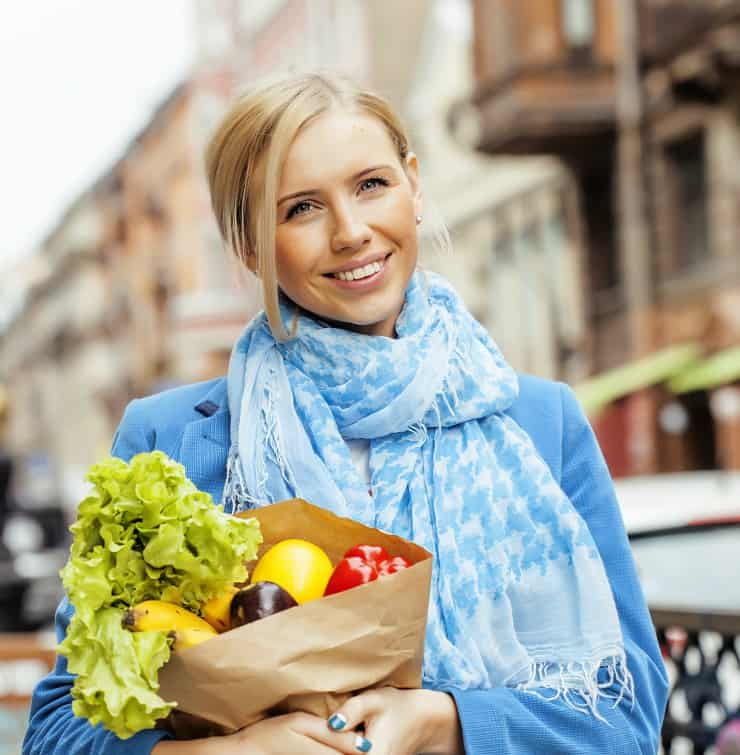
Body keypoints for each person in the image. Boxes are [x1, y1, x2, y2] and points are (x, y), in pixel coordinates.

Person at [23, 71, 669, 755]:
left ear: (414, 185)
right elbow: (60, 729)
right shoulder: (171, 440)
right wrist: (224, 753)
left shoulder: (542, 423)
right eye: (301, 208)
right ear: (248, 246)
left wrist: (447, 723)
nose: (351, 231)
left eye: (371, 185)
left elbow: (628, 717)